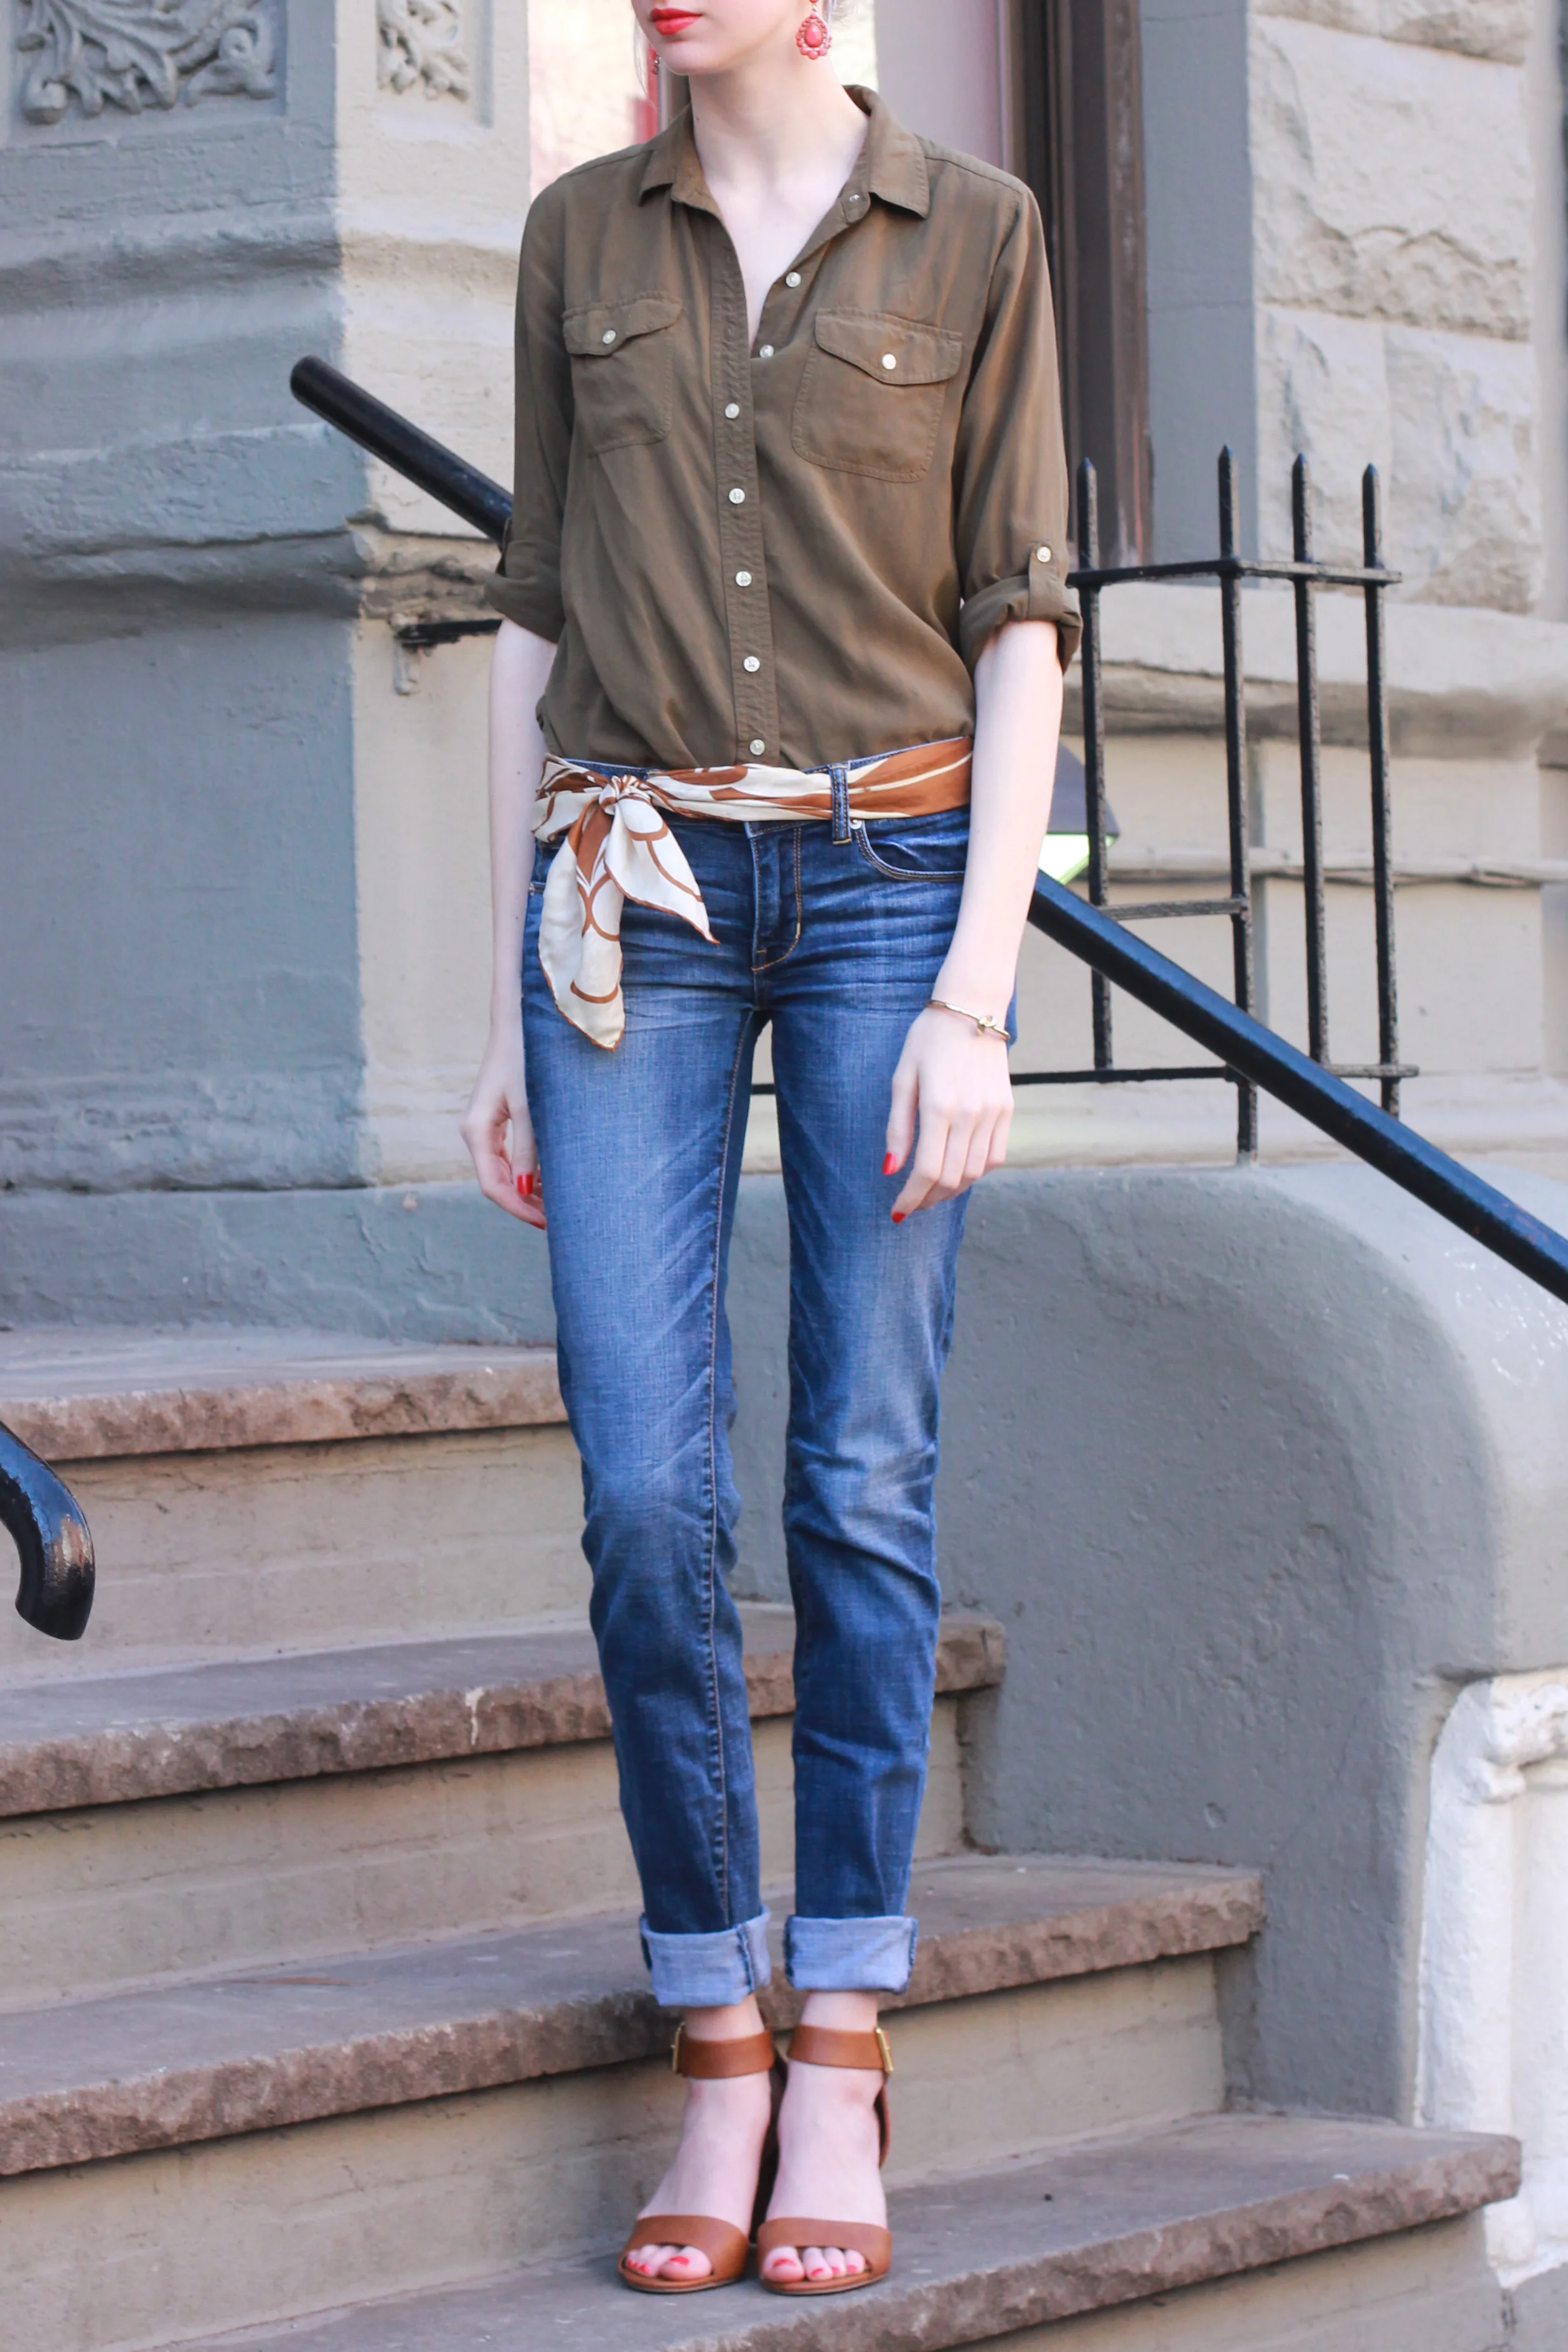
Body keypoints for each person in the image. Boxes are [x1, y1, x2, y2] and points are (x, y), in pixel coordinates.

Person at [461, 0, 1075, 2299]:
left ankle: (841, 2033)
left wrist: (978, 996)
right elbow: (531, 631)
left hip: (892, 892)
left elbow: (1021, 627)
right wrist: (494, 1002)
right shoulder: (569, 241)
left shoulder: (981, 237)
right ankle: (713, 2014)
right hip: (626, 894)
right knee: (643, 1486)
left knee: (861, 1477)